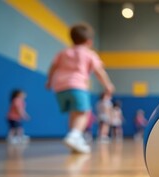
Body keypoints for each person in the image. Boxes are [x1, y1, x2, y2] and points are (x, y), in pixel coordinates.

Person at [46, 23, 115, 153]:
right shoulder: (89, 54)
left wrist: (49, 81)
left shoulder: (64, 52)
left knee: (74, 112)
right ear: (89, 41)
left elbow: (52, 67)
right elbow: (99, 71)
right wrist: (108, 85)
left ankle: (76, 139)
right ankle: (74, 136)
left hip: (60, 88)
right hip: (77, 86)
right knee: (84, 112)